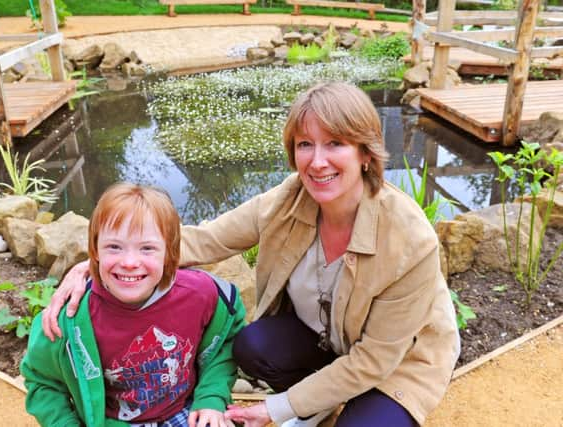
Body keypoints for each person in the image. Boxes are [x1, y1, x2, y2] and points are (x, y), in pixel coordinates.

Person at [42, 82, 460, 427]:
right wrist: (99, 264)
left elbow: (374, 359)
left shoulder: (411, 241)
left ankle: (337, 405)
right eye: (304, 145)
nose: (317, 162)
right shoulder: (288, 200)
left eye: (335, 143)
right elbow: (204, 241)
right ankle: (320, 398)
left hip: (397, 364)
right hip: (328, 341)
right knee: (253, 345)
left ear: (366, 153)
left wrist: (274, 410)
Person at [21, 183, 246, 427]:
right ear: (94, 250)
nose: (129, 262)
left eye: (147, 248)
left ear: (169, 252)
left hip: (187, 410)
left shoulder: (202, 295)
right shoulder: (70, 316)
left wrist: (211, 398)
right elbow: (42, 381)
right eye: (114, 247)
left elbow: (226, 339)